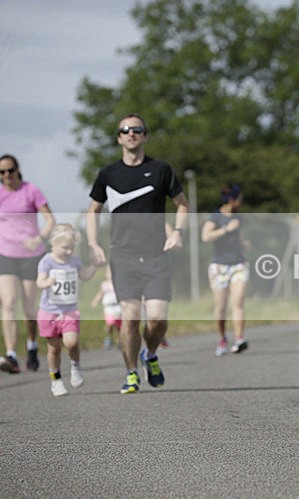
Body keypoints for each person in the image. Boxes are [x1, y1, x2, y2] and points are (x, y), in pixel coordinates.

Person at [86, 113, 189, 394]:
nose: (131, 133)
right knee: (130, 318)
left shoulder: (161, 170)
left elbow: (182, 204)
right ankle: (131, 373)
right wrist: (93, 243)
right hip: (123, 256)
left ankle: (150, 355)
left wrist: (178, 232)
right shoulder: (108, 174)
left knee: (156, 320)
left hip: (156, 255)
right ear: (119, 137)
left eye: (137, 129)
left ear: (145, 135)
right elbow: (93, 210)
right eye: (126, 130)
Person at [0, 154, 56, 374]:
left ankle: (32, 345)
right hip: (6, 253)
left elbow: (50, 220)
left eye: (10, 171)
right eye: (1, 172)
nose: (6, 176)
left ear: (17, 170)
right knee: (9, 303)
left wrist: (39, 238)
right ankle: (12, 354)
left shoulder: (31, 190)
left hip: (31, 254)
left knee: (30, 306)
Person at [36, 224, 100, 396]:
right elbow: (39, 281)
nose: (69, 251)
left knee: (71, 342)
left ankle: (75, 365)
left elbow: (84, 276)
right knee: (53, 348)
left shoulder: (75, 261)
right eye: (65, 248)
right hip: (49, 311)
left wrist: (94, 266)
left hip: (69, 310)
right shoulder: (46, 261)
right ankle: (56, 380)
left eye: (72, 248)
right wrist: (47, 282)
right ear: (53, 244)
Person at [201, 184, 251, 356]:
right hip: (219, 266)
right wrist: (225, 229)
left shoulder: (238, 217)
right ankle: (222, 338)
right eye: (239, 199)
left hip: (238, 264)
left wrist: (243, 242)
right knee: (221, 306)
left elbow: (236, 235)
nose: (241, 203)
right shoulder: (215, 217)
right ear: (231, 199)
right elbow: (206, 236)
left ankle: (239, 339)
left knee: (237, 302)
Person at [91, 266, 121, 349]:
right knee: (110, 324)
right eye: (109, 273)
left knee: (119, 325)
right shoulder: (104, 285)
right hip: (108, 308)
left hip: (118, 307)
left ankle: (120, 340)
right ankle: (109, 337)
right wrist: (95, 301)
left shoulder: (118, 283)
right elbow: (100, 294)